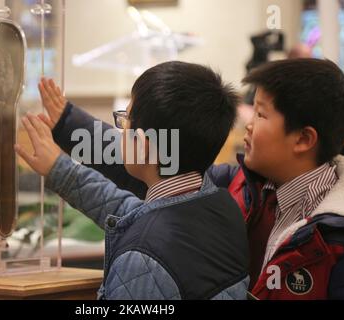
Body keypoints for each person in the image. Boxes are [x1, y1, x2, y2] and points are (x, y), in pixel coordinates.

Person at [43, 58, 344, 300]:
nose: (248, 124)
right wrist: (68, 125)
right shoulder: (239, 188)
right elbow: (161, 166)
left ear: (303, 139)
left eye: (261, 114)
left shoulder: (338, 235)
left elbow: (155, 156)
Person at [15, 61, 250, 300]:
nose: (119, 132)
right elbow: (131, 212)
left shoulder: (141, 259)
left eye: (124, 120)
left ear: (143, 146)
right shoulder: (221, 205)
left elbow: (146, 227)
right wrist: (60, 168)